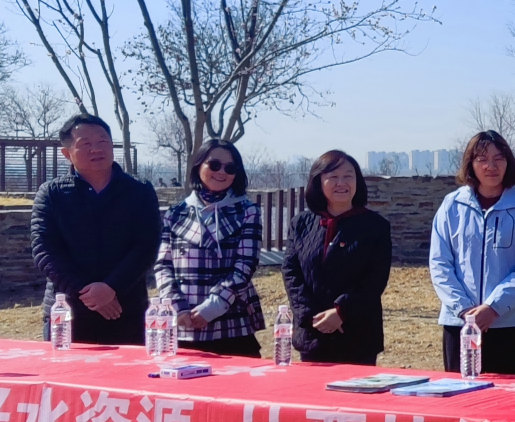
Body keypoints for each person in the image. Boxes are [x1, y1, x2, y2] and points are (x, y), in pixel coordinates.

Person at [31, 113, 161, 345]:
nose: (96, 149)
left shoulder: (140, 191)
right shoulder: (51, 194)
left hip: (125, 307)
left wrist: (111, 287)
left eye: (103, 142)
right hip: (68, 311)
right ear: (67, 154)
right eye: (85, 144)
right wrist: (88, 293)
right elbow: (45, 252)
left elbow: (147, 247)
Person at [429, 130, 515, 376]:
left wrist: (493, 308)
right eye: (482, 159)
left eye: (498, 158)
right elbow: (440, 263)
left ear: (509, 162)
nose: (491, 166)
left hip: (507, 323)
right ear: (471, 164)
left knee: (505, 403)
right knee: (460, 398)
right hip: (459, 324)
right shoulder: (452, 205)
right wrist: (464, 311)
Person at [153, 139, 266, 357]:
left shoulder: (247, 210)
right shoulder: (175, 213)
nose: (221, 172)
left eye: (230, 168)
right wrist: (176, 305)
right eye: (214, 165)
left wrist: (213, 306)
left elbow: (245, 264)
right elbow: (163, 265)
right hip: (183, 321)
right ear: (198, 166)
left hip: (230, 319)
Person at [281, 150, 393, 365]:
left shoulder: (375, 226)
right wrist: (311, 315)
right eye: (333, 176)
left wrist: (341, 312)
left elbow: (375, 279)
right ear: (318, 181)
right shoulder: (301, 224)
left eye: (348, 176)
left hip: (357, 335)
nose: (341, 183)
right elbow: (291, 272)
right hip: (312, 332)